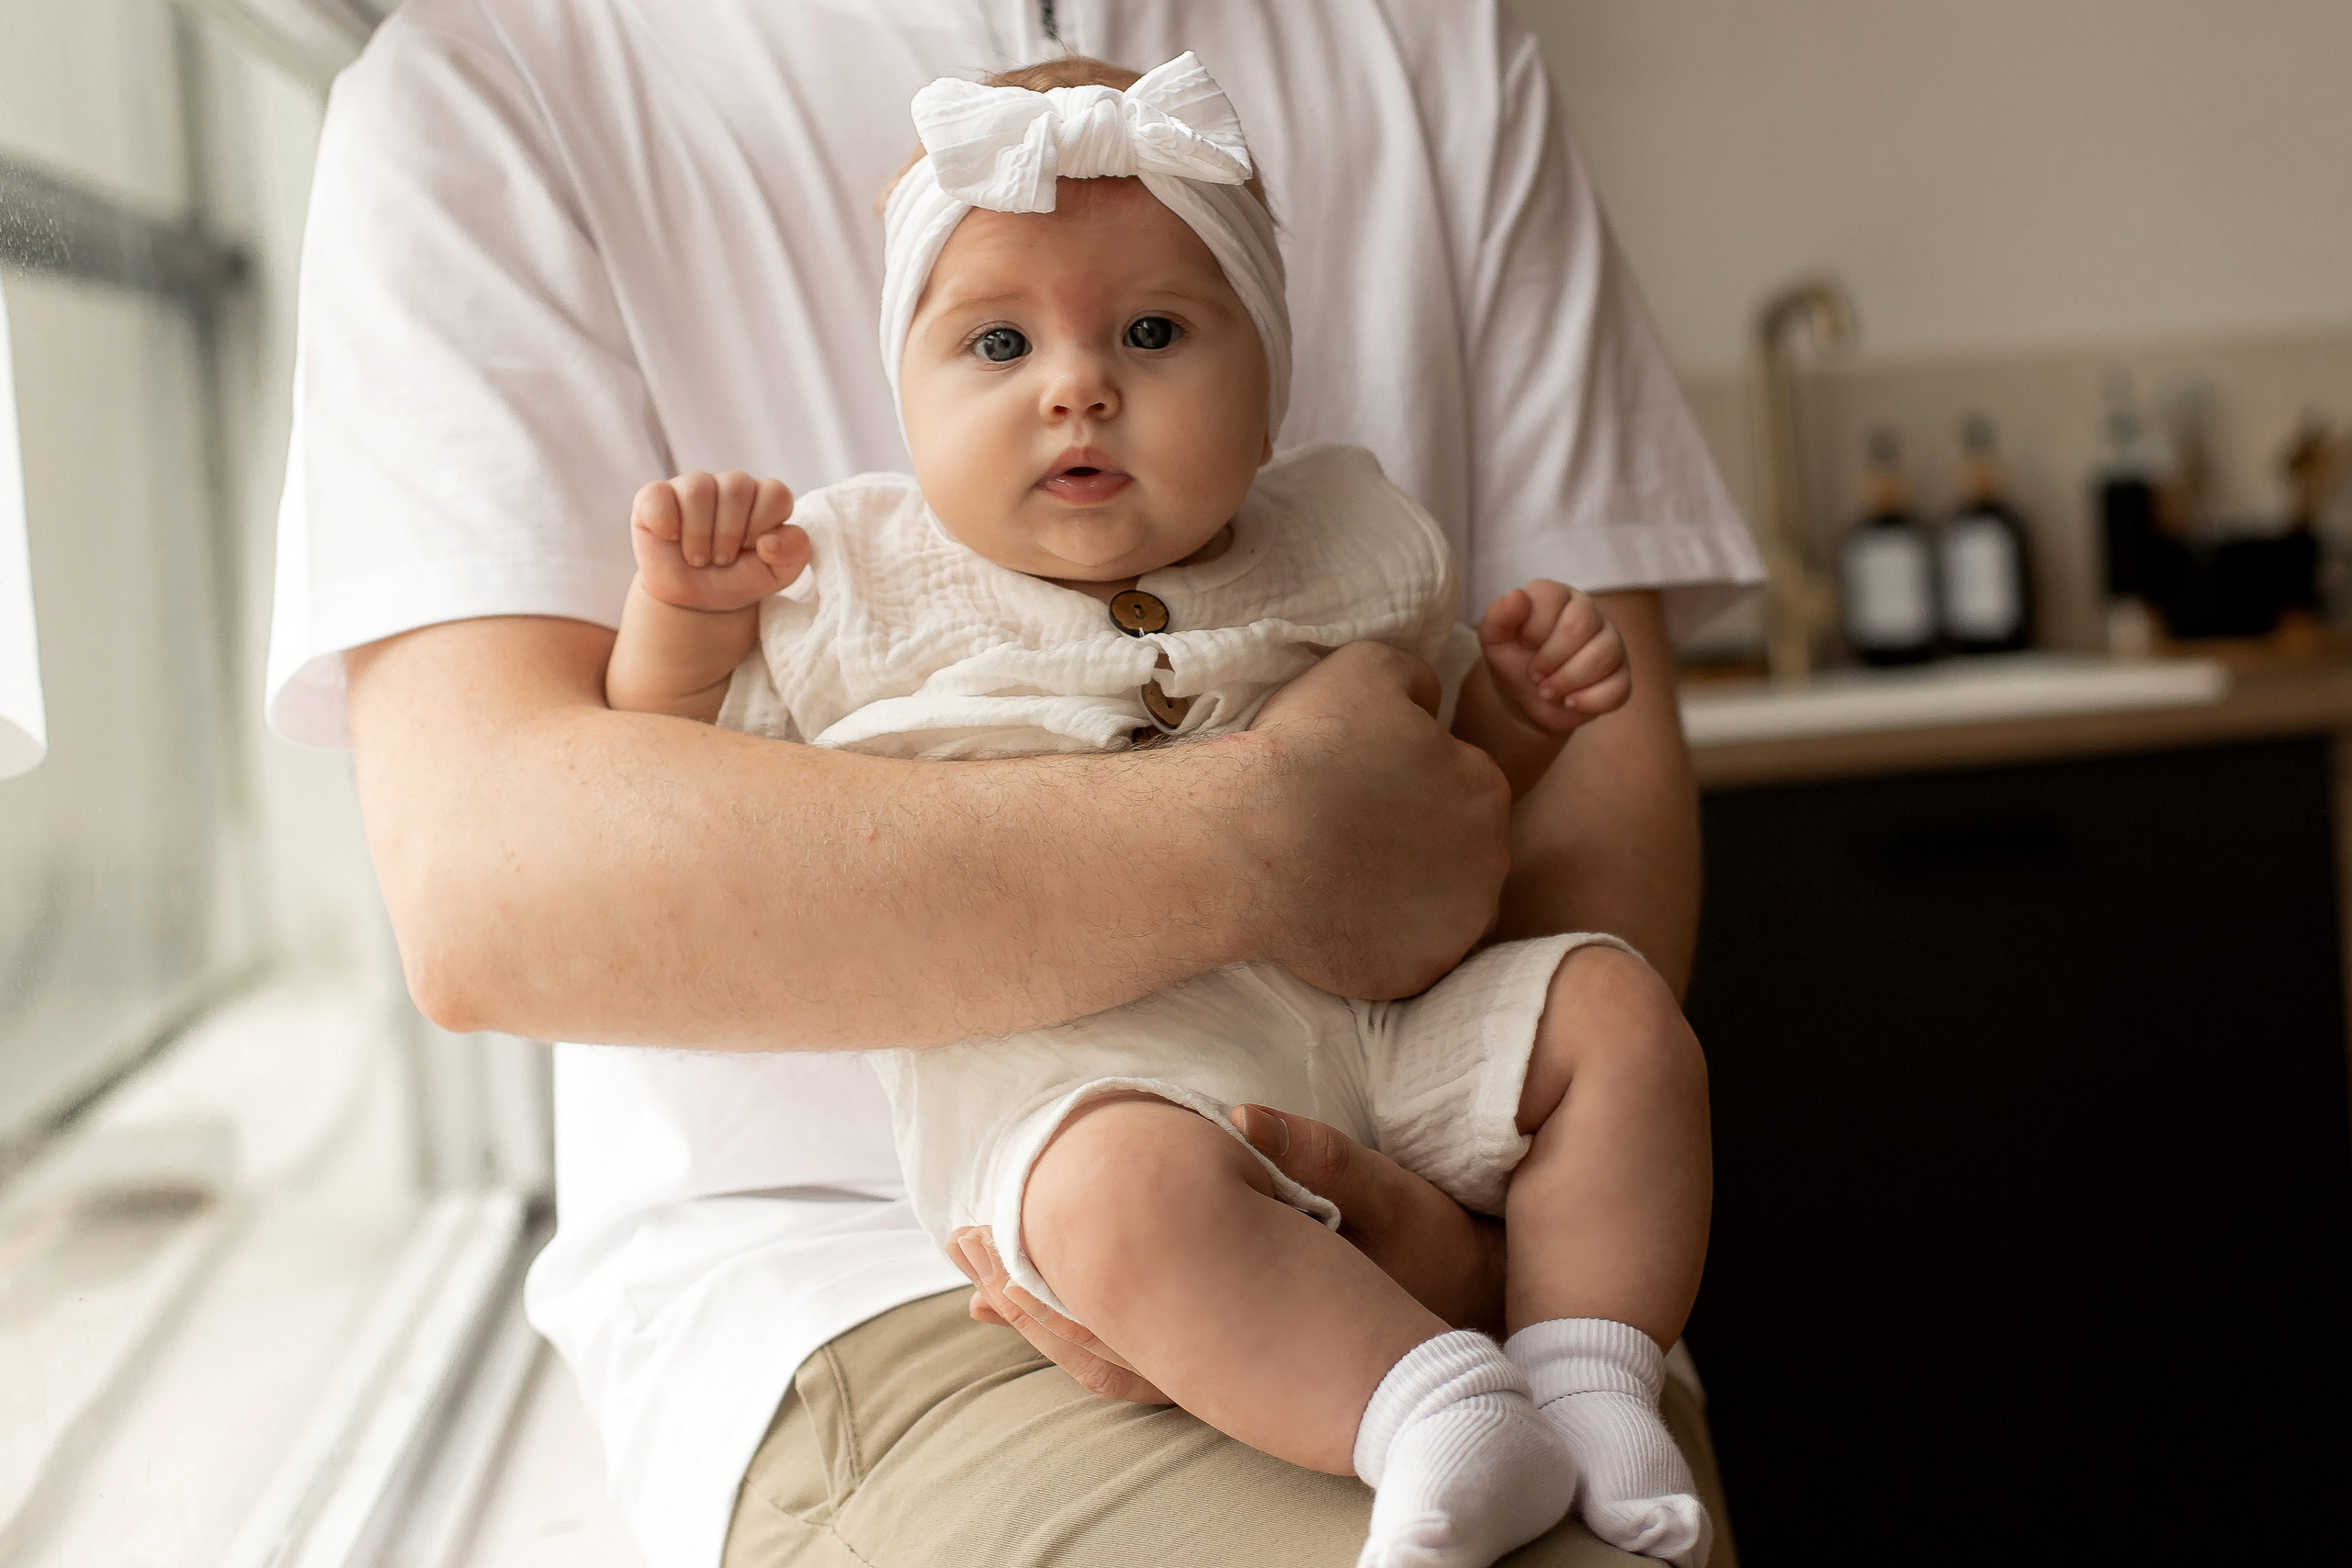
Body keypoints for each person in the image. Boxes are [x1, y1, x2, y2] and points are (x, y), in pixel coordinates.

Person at [266, 3, 1761, 1564]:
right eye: (997, 344)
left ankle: (1580, 1381)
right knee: (1122, 1194)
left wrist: (1477, 1244)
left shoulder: (1422, 84)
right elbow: (516, 877)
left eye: (1157, 335)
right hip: (916, 1266)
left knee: (1613, 1015)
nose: (1077, 390)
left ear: (1275, 379)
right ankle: (1430, 1406)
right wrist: (1268, 834)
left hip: (1467, 1186)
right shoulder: (850, 569)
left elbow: (1559, 785)